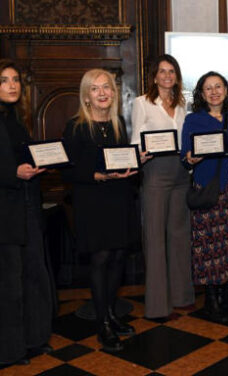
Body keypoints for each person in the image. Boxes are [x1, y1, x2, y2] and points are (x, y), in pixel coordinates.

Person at [63, 69, 146, 352]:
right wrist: (98, 176)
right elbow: (69, 170)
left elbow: (121, 160)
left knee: (119, 256)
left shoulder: (118, 125)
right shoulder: (75, 126)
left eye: (107, 88)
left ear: (113, 93)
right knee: (101, 259)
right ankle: (103, 325)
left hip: (119, 199)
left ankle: (111, 314)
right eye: (96, 89)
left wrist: (136, 162)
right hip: (92, 202)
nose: (102, 93)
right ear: (86, 96)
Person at [181, 71, 228, 322]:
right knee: (210, 245)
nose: (214, 92)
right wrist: (190, 157)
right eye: (208, 88)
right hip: (210, 189)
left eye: (218, 86)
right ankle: (211, 299)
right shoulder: (193, 120)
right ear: (201, 93)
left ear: (226, 90)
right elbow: (185, 154)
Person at [131, 54, 194, 319]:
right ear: (154, 76)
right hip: (155, 172)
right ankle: (157, 306)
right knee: (155, 238)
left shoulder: (183, 105)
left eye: (172, 71)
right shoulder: (142, 103)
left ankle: (181, 296)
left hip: (181, 173)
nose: (167, 76)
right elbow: (135, 139)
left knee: (179, 236)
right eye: (162, 71)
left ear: (176, 77)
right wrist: (139, 155)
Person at [0, 59, 54, 366]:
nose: (11, 85)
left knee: (33, 277)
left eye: (15, 80)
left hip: (28, 209)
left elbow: (30, 156)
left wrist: (45, 162)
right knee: (9, 285)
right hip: (5, 215)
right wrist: (12, 173)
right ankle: (9, 351)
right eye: (4, 80)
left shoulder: (18, 120)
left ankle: (33, 340)